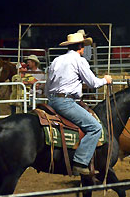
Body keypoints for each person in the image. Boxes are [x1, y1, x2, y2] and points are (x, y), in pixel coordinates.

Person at [45, 31, 112, 176]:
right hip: (66, 102)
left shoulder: (57, 60)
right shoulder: (79, 61)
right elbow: (93, 83)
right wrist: (105, 80)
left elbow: (48, 84)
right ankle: (80, 162)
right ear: (81, 47)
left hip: (52, 100)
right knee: (95, 127)